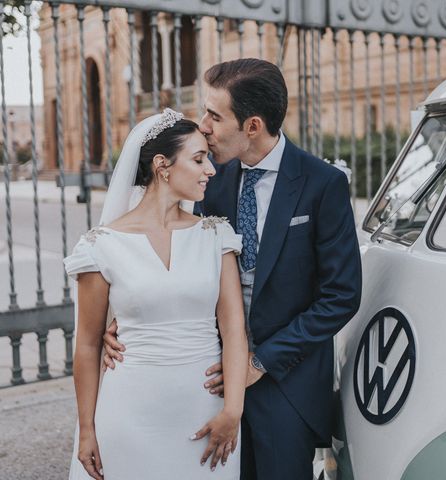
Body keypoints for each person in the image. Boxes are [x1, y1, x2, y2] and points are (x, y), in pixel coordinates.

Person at [103, 59, 363, 479]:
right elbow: (172, 254)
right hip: (207, 378)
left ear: (253, 126)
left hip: (285, 382)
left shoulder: (323, 184)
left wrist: (259, 363)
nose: (202, 125)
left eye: (214, 115)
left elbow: (342, 296)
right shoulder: (208, 177)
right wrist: (123, 321)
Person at [64, 109, 248, 480]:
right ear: (162, 166)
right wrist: (86, 430)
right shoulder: (102, 245)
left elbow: (233, 331)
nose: (210, 169)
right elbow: (86, 344)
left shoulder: (216, 235)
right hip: (130, 412)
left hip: (206, 410)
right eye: (198, 159)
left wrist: (233, 411)